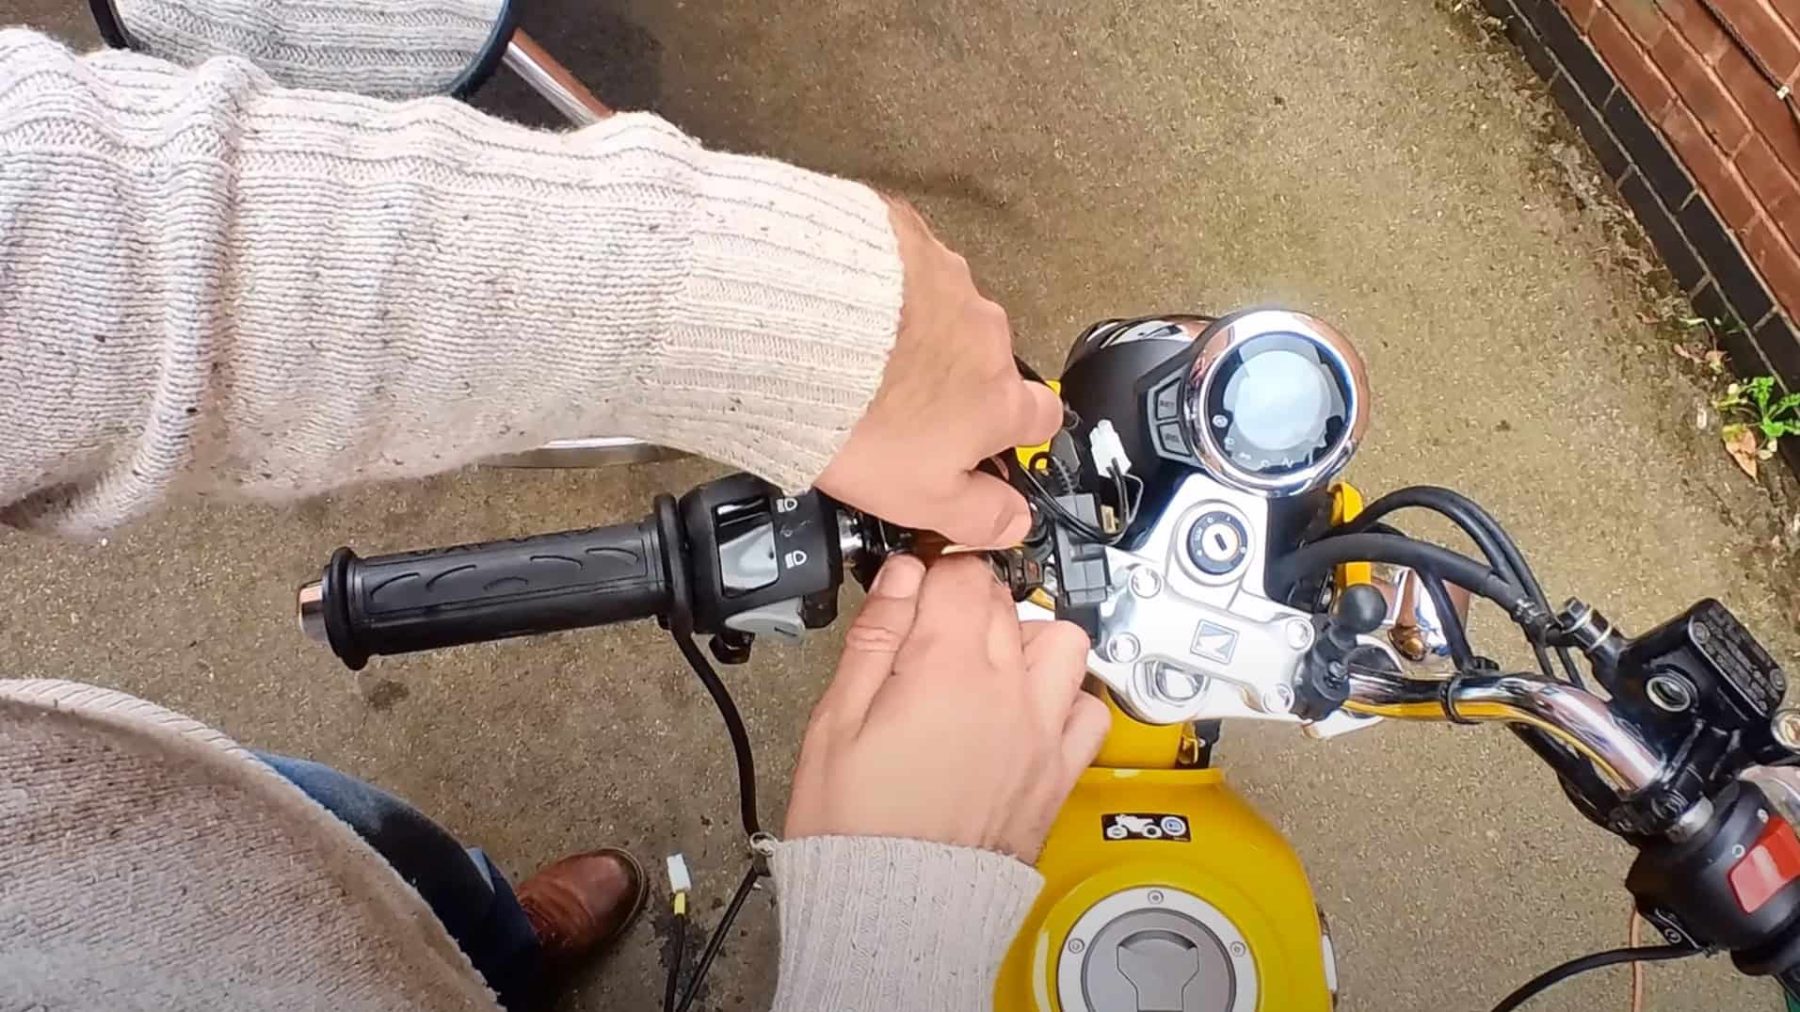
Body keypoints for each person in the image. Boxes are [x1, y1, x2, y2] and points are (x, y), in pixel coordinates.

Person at [0, 24, 1110, 1012]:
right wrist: (898, 938)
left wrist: (769, 307)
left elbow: (43, 228)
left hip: (143, 834)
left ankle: (493, 938)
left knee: (378, 866)